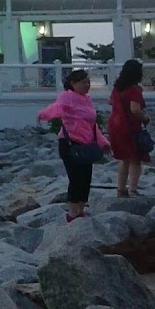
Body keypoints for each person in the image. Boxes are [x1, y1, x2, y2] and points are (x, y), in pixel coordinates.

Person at [38, 68, 111, 220]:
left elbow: (93, 125)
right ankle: (72, 213)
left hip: (86, 144)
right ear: (73, 83)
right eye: (83, 82)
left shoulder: (87, 100)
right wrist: (44, 115)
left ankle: (81, 210)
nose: (87, 85)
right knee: (75, 178)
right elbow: (57, 108)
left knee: (86, 178)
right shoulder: (67, 96)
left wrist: (103, 142)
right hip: (69, 144)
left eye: (88, 82)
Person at [109, 59, 148, 197]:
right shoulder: (134, 90)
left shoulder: (117, 88)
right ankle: (133, 188)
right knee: (135, 158)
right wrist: (145, 118)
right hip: (129, 127)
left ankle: (121, 188)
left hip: (115, 125)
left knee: (124, 159)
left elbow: (110, 101)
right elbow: (135, 110)